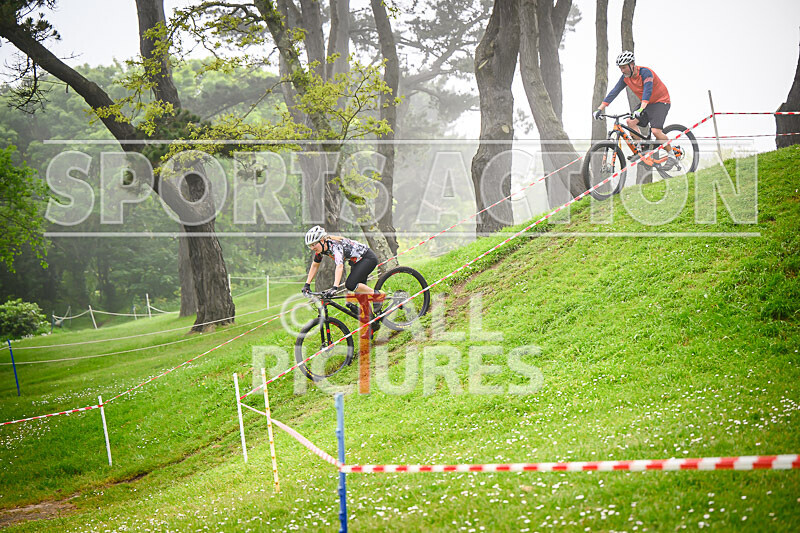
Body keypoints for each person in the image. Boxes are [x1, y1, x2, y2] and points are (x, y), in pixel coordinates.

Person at [593, 50, 677, 167]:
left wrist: (641, 109)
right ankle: (642, 150)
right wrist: (600, 108)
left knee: (656, 131)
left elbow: (647, 92)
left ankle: (672, 155)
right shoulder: (625, 78)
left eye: (624, 67)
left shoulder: (645, 73)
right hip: (646, 103)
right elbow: (614, 92)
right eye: (620, 68)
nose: (622, 70)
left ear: (632, 65)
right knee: (630, 122)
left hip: (660, 101)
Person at [301, 225, 385, 322]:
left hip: (367, 258)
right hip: (356, 262)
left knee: (350, 284)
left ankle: (377, 296)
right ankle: (372, 322)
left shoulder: (335, 245)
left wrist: (335, 287)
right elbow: (315, 265)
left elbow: (339, 266)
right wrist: (307, 284)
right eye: (310, 245)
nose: (312, 248)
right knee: (359, 293)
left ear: (322, 240)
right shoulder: (320, 249)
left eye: (314, 244)